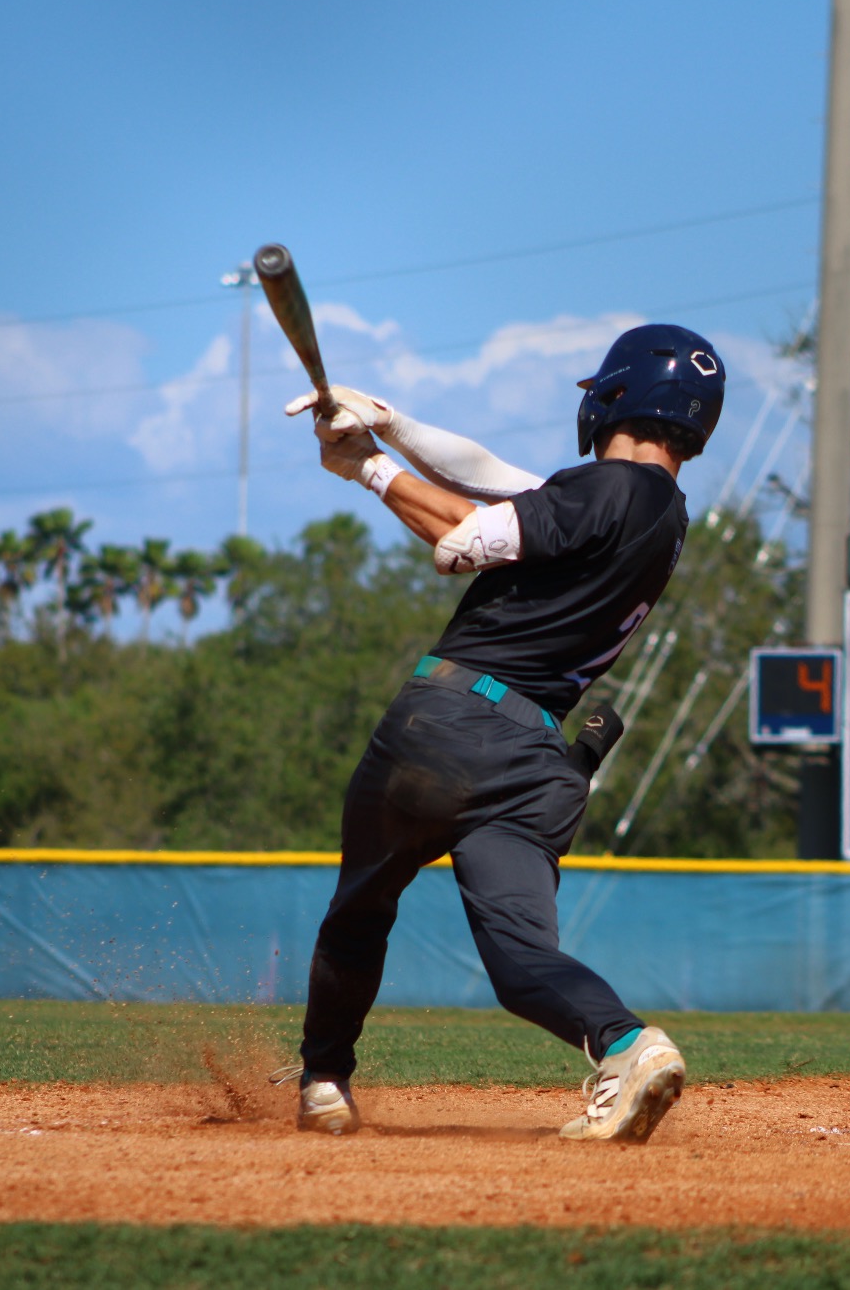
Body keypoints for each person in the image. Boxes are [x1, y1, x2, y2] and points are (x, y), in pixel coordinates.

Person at [279, 323, 726, 1144]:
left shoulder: (609, 489)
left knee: (359, 911)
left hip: (444, 726)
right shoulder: (655, 511)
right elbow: (491, 476)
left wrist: (366, 468)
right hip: (535, 760)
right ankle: (629, 1045)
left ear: (613, 396)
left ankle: (324, 1080)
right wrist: (386, 420)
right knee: (522, 962)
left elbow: (464, 540)